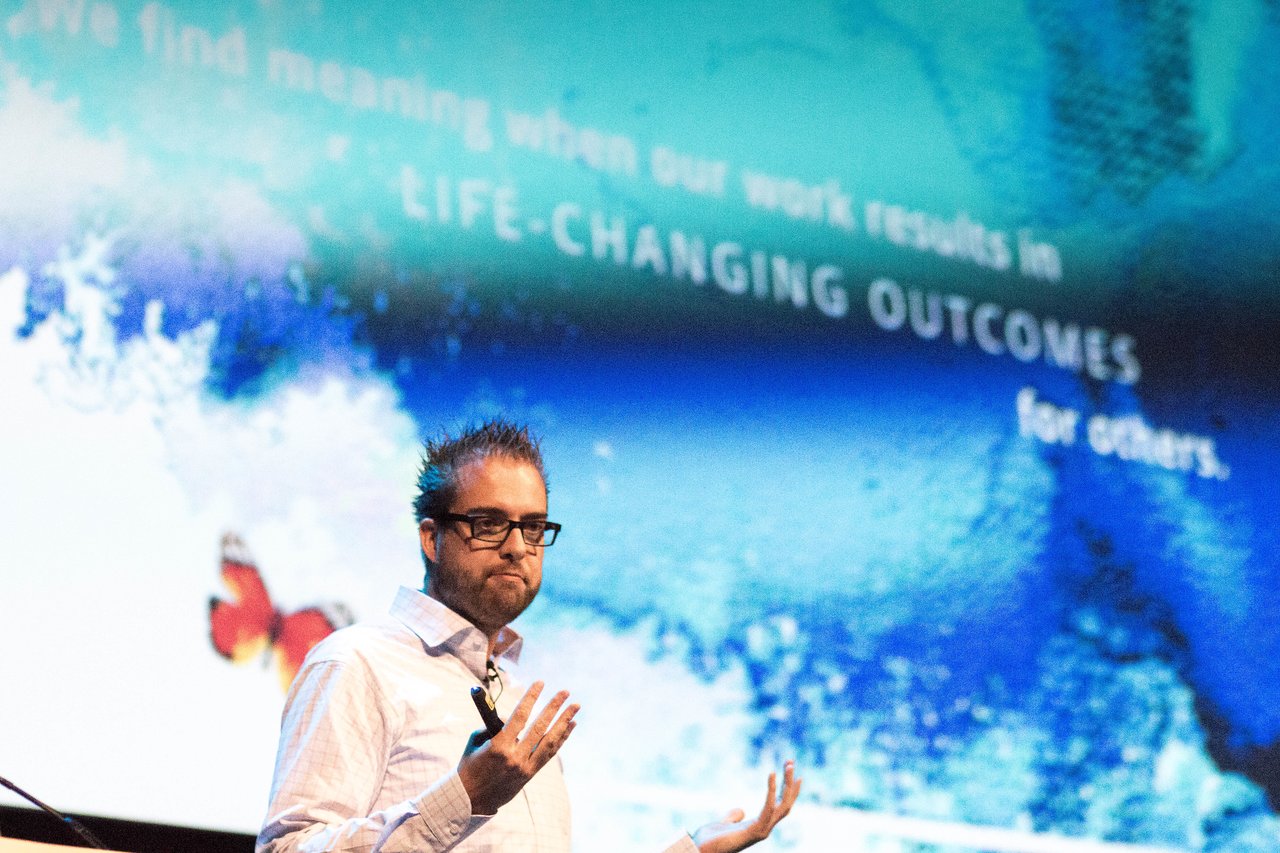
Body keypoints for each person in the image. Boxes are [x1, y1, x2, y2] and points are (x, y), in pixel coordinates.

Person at [257, 419, 801, 853]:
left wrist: (690, 852)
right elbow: (289, 849)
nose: (518, 546)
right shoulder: (357, 664)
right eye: (490, 523)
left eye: (534, 526)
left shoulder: (514, 691)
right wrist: (464, 795)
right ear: (432, 537)